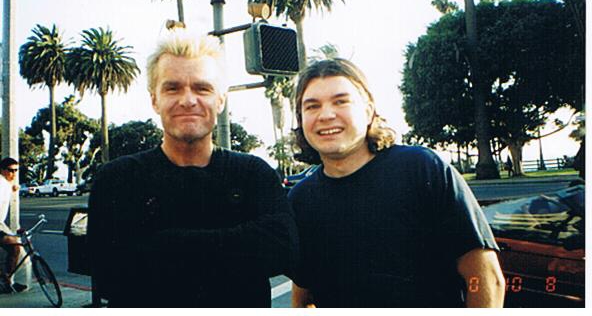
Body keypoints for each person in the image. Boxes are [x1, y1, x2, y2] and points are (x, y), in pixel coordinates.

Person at [88, 31, 298, 307]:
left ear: (220, 100)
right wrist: (237, 248)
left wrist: (161, 245)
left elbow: (282, 250)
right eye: (173, 88)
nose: (188, 100)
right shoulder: (117, 178)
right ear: (154, 100)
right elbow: (109, 273)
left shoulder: (254, 173)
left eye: (202, 88)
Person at [287, 59, 505, 307]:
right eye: (312, 106)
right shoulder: (300, 199)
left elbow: (484, 276)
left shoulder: (421, 169)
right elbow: (304, 293)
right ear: (301, 119)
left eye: (341, 101)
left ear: (368, 110)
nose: (326, 115)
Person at [0, 157, 27, 294]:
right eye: (11, 170)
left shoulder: (5, 183)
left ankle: (7, 281)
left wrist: (14, 188)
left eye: (16, 170)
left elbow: (9, 187)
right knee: (15, 247)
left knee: (15, 248)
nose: (14, 174)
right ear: (3, 170)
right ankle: (7, 281)